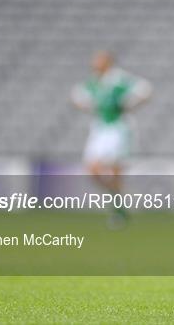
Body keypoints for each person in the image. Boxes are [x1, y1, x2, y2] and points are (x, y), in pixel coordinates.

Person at [71, 50, 152, 228]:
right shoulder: (94, 82)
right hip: (100, 128)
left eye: (98, 60)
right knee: (93, 170)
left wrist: (127, 105)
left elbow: (145, 90)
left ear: (108, 62)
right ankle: (119, 200)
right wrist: (90, 107)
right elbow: (77, 96)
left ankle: (119, 209)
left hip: (118, 128)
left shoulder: (118, 80)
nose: (94, 63)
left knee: (115, 170)